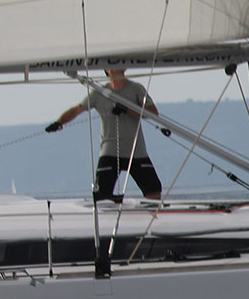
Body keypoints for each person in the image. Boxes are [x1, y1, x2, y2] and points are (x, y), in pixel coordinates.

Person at [46, 68, 163, 202]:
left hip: (136, 151)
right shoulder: (99, 93)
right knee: (101, 194)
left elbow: (153, 113)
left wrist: (127, 110)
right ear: (107, 70)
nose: (118, 65)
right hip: (110, 150)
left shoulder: (136, 89)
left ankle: (152, 214)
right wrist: (59, 122)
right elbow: (76, 110)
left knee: (154, 190)